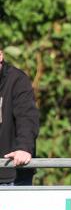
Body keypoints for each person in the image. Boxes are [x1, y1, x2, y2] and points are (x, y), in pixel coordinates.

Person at [0, 47, 40, 186]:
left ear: (0, 56)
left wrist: (23, 148)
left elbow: (27, 117)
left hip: (13, 174)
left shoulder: (17, 80)